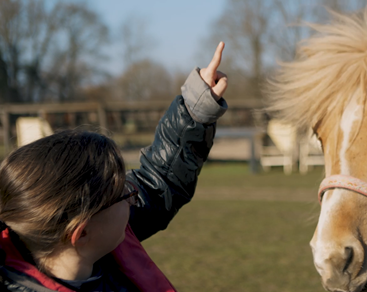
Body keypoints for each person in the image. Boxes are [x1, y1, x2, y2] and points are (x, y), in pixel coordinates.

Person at [0, 42, 228, 292]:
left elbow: (156, 184)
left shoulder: (88, 233)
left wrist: (194, 110)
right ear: (81, 233)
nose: (134, 197)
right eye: (124, 191)